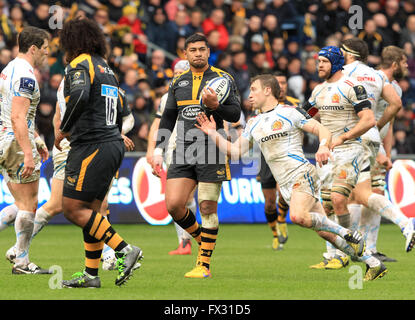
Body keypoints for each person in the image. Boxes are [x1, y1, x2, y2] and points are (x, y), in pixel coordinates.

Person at [195, 74, 384, 281]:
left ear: (268, 90)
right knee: (325, 232)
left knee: (297, 216)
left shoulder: (290, 112)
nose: (250, 95)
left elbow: (321, 129)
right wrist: (212, 133)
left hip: (301, 173)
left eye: (254, 89)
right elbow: (236, 152)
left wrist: (322, 147)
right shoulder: (253, 122)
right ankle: (373, 263)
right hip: (285, 185)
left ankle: (348, 233)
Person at [54, 18, 142, 288]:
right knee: (91, 211)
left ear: (73, 40)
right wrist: (113, 136)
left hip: (91, 145)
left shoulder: (79, 64)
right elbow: (120, 107)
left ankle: (124, 250)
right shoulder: (107, 69)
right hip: (111, 143)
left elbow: (79, 96)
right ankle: (91, 275)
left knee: (71, 208)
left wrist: (64, 129)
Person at [152, 33, 241, 278]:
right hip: (182, 149)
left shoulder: (224, 79)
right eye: (193, 50)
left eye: (202, 49)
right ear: (185, 54)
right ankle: (205, 240)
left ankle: (203, 264)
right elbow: (168, 118)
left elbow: (234, 114)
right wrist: (158, 149)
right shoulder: (178, 82)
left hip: (211, 149)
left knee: (206, 206)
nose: (198, 53)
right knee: (174, 205)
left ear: (208, 52)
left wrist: (215, 106)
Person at [302, 46, 388, 280]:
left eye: (324, 61)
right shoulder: (318, 91)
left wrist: (342, 137)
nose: (319, 65)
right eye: (317, 61)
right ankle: (343, 254)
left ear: (336, 63)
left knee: (340, 199)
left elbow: (369, 119)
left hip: (350, 149)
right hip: (327, 152)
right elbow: (305, 117)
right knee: (328, 206)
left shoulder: (352, 87)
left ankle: (353, 240)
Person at [342, 42, 415, 260]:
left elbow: (390, 123)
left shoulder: (396, 88)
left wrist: (387, 151)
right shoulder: (372, 79)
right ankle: (363, 247)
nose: (407, 67)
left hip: (373, 143)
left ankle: (365, 248)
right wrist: (375, 128)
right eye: (404, 63)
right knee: (359, 195)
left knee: (366, 194)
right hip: (365, 140)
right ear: (395, 63)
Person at [0, 26, 51, 274]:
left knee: (20, 202)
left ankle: (20, 258)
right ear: (33, 48)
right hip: (16, 143)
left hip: (4, 139)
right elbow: (19, 117)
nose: (47, 53)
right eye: (45, 49)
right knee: (29, 204)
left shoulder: (9, 69)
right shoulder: (26, 76)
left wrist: (38, 141)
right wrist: (28, 152)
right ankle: (21, 261)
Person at [146, 59, 196, 255]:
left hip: (196, 149)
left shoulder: (199, 93)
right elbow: (157, 125)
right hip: (172, 150)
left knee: (189, 197)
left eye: (179, 74)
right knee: (179, 199)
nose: (176, 77)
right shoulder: (168, 98)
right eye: (174, 74)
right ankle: (184, 242)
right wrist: (152, 150)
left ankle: (193, 239)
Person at [257, 72, 298, 250]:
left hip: (286, 157)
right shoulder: (260, 105)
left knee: (284, 194)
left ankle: (282, 219)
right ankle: (275, 234)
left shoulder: (294, 105)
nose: (281, 86)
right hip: (266, 158)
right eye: (278, 82)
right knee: (269, 201)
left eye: (283, 82)